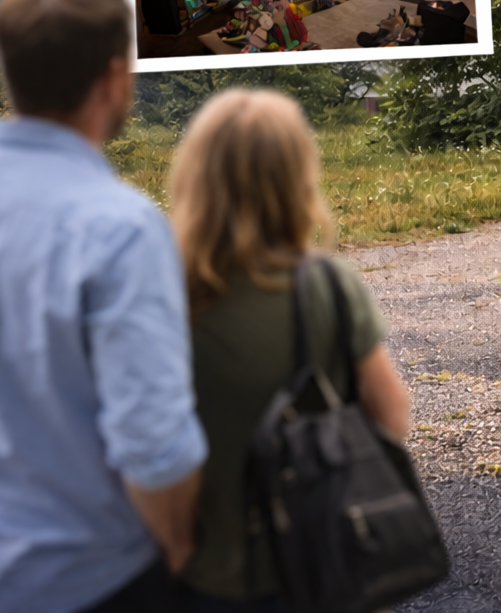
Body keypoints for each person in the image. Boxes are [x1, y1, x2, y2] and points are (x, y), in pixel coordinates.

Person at [0, 0, 206, 613]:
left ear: (8, 68)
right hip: (89, 578)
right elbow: (152, 447)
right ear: (115, 78)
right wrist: (177, 552)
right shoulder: (121, 229)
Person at [170, 89, 411, 612]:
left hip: (209, 569)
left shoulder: (168, 292)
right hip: (319, 555)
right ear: (297, 178)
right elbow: (390, 414)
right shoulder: (328, 283)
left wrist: (174, 546)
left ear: (194, 177)